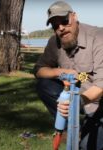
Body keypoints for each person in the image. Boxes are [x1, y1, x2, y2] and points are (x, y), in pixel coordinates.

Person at [33, 1, 103, 150]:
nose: (61, 28)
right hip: (80, 93)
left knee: (87, 146)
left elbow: (101, 85)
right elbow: (39, 70)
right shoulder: (54, 42)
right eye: (55, 25)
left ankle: (84, 125)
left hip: (99, 100)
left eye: (65, 21)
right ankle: (67, 127)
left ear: (74, 16)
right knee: (44, 84)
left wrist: (76, 103)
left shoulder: (98, 37)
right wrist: (60, 72)